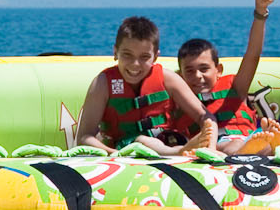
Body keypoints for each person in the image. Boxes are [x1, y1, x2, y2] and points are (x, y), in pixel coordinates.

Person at [169, 0, 280, 154]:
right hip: (212, 146)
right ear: (180, 75)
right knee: (227, 146)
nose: (198, 76)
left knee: (242, 144)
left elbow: (253, 55)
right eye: (190, 71)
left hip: (244, 137)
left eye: (204, 69)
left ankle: (270, 146)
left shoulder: (236, 87)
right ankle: (261, 149)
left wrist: (260, 12)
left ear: (219, 70)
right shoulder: (178, 100)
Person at [75, 15, 218, 154]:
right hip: (126, 148)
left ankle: (182, 150)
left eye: (144, 57)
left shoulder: (168, 79)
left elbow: (205, 117)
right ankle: (178, 152)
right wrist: (114, 154)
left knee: (161, 140)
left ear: (155, 56)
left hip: (169, 141)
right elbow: (84, 137)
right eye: (127, 55)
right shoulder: (103, 84)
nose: (135, 64)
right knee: (142, 140)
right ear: (115, 52)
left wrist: (210, 148)